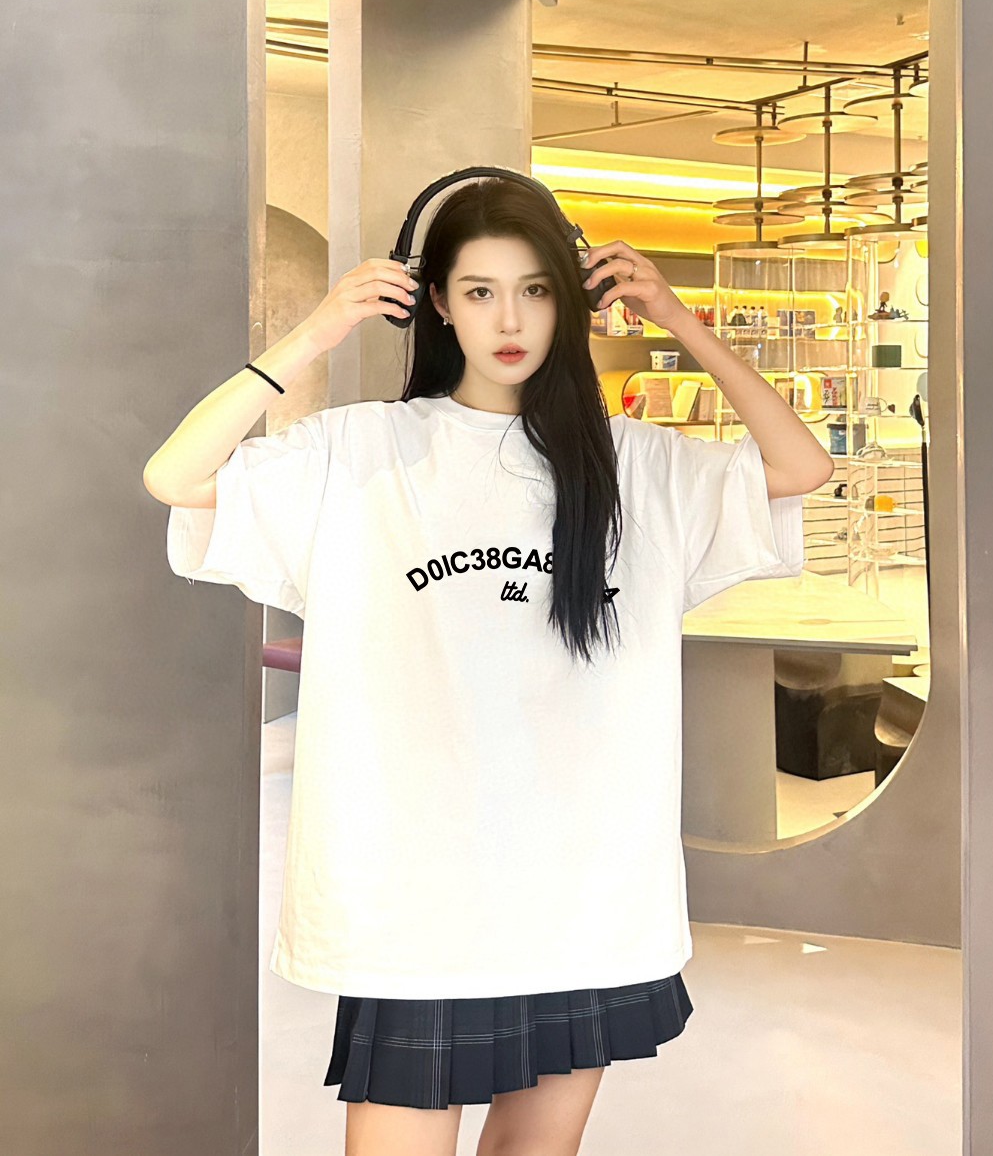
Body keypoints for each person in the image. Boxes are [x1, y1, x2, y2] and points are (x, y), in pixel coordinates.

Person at [143, 176, 833, 1156]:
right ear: (434, 302)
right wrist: (318, 331)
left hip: (578, 889)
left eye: (536, 290)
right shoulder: (363, 452)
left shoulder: (632, 465)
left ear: (571, 300)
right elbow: (175, 476)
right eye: (479, 291)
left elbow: (802, 467)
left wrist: (681, 319)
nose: (509, 320)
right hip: (418, 894)